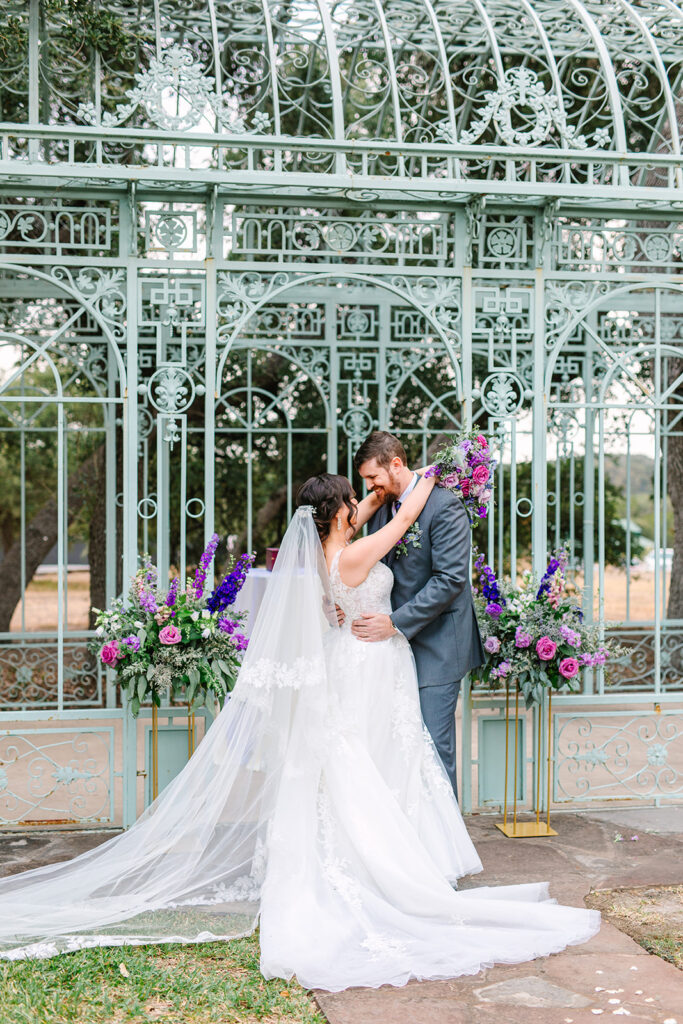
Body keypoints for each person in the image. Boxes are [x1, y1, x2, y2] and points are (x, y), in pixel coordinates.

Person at [0, 474, 599, 989]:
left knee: (359, 759)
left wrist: (363, 498)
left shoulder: (322, 554)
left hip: (358, 660)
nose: (363, 503)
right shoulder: (357, 555)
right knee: (365, 764)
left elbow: (353, 527)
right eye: (355, 499)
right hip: (369, 661)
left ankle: (393, 857)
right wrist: (421, 481)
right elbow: (404, 518)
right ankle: (390, 868)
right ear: (340, 512)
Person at [351, 431, 484, 798]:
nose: (371, 487)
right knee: (401, 745)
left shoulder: (444, 506)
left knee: (432, 744)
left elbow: (451, 579)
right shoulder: (384, 506)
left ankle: (447, 846)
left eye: (373, 478)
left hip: (437, 643)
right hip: (393, 649)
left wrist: (394, 623)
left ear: (396, 464)